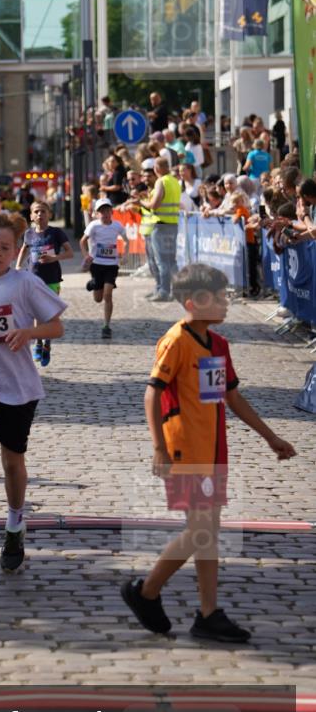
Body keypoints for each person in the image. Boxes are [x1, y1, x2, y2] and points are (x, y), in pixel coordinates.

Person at [121, 263, 296, 642]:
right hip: (185, 449)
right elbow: (152, 392)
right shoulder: (176, 341)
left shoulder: (219, 345)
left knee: (208, 533)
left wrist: (270, 436)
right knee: (201, 532)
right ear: (195, 302)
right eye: (220, 297)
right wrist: (159, 449)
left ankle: (208, 613)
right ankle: (146, 591)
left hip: (215, 451)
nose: (227, 302)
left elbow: (231, 396)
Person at [0, 210, 67, 572]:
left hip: (19, 385)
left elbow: (57, 327)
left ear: (16, 249)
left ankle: (15, 526)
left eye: (6, 247)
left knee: (12, 461)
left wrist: (29, 333)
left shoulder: (25, 284)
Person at [16, 200, 73, 366]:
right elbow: (23, 249)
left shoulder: (56, 233)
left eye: (43, 211)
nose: (40, 214)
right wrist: (19, 266)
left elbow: (69, 253)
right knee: (36, 313)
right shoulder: (28, 234)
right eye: (37, 212)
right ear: (31, 216)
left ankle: (47, 344)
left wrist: (54, 258)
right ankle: (38, 344)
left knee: (50, 314)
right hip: (33, 278)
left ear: (49, 215)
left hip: (52, 279)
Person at [80, 197, 126, 339]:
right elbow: (82, 241)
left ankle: (106, 326)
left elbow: (127, 240)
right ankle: (93, 284)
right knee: (98, 298)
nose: (105, 214)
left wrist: (125, 256)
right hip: (97, 264)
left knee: (108, 295)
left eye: (107, 210)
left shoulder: (117, 226)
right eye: (102, 211)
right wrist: (86, 256)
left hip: (112, 265)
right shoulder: (94, 226)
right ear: (97, 213)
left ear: (111, 212)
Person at [136, 156, 181, 302]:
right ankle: (177, 290)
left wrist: (141, 202)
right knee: (171, 261)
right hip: (173, 224)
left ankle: (164, 291)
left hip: (160, 225)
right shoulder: (175, 181)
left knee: (161, 261)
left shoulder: (161, 181)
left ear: (157, 169)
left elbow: (154, 205)